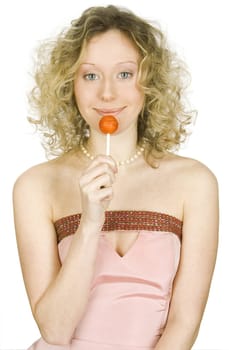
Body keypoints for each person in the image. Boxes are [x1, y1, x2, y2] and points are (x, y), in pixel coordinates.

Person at [13, 5, 219, 350]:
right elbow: (55, 330)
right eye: (90, 75)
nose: (107, 94)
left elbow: (186, 321)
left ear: (149, 81)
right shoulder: (34, 186)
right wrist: (90, 224)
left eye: (125, 74)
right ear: (69, 85)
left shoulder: (195, 182)